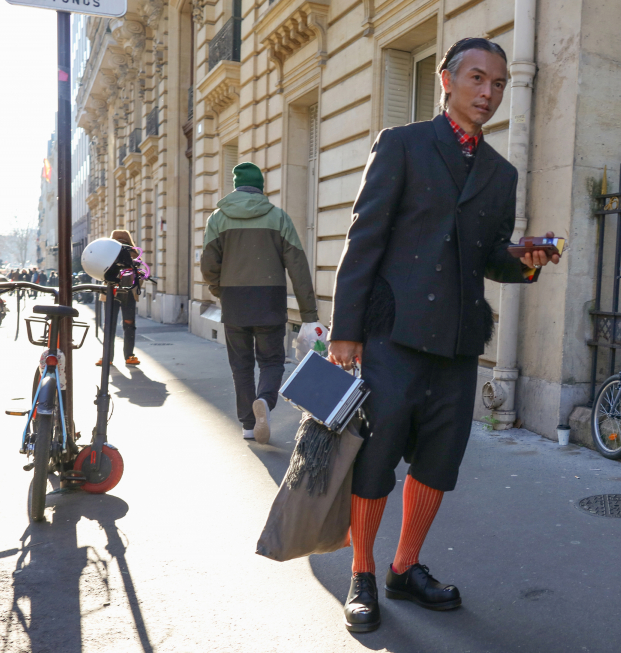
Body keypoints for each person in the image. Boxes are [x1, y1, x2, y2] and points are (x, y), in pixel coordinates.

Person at [327, 37, 560, 632]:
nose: (489, 92)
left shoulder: (500, 173)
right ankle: (363, 574)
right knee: (375, 458)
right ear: (447, 81)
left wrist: (526, 259)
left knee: (438, 461)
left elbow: (488, 257)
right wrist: (346, 331)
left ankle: (406, 568)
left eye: (499, 83)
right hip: (391, 337)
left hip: (457, 343)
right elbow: (364, 239)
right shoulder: (402, 145)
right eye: (478, 78)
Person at [201, 162, 318, 444]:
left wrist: (219, 291)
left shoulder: (217, 219)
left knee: (240, 365)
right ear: (260, 187)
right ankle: (264, 400)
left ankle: (248, 425)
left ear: (235, 185)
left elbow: (208, 265)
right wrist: (309, 313)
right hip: (270, 302)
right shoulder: (279, 217)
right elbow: (298, 266)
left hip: (234, 303)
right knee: (272, 360)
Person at [95, 230, 141, 367]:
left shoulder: (125, 253)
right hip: (125, 293)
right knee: (128, 324)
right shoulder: (133, 253)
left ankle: (109, 357)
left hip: (114, 292)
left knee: (110, 325)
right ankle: (128, 356)